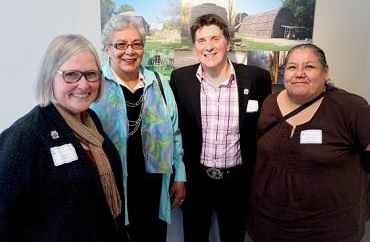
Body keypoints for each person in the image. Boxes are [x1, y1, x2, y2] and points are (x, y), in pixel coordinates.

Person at [0, 34, 127, 242]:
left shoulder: (91, 120)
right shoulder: (26, 135)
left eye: (91, 74)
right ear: (50, 76)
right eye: (71, 75)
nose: (84, 85)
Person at [247, 43, 370, 241]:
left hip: (328, 230)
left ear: (325, 71)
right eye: (292, 67)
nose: (299, 73)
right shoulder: (270, 102)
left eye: (309, 67)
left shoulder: (350, 107)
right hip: (267, 225)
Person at [170, 13, 271, 242]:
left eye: (215, 39)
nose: (208, 47)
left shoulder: (257, 78)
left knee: (234, 237)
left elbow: (263, 131)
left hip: (238, 183)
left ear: (227, 41)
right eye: (201, 41)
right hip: (196, 182)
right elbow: (176, 133)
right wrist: (179, 177)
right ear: (195, 46)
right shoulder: (180, 79)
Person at [91, 14, 186, 242]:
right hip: (110, 189)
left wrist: (180, 176)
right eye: (120, 45)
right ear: (107, 49)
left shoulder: (159, 83)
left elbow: (175, 133)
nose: (129, 51)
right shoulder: (95, 85)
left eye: (136, 44)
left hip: (153, 188)